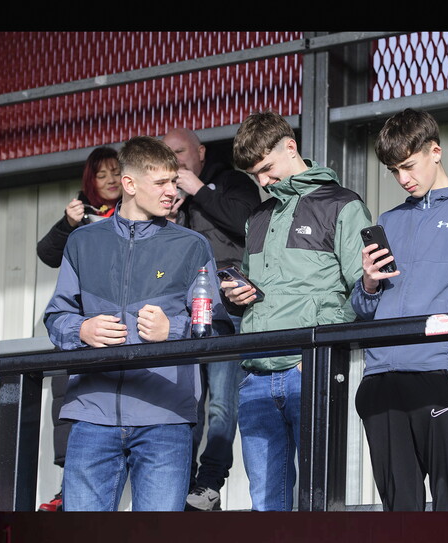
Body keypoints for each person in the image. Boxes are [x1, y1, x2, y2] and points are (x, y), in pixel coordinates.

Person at [43, 135, 234, 511]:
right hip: (91, 416)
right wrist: (81, 329)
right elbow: (56, 315)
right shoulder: (82, 242)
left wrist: (174, 331)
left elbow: (216, 326)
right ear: (129, 185)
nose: (171, 191)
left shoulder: (193, 245)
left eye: (174, 181)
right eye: (161, 182)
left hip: (165, 418)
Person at [349, 108, 448, 511]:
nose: (403, 179)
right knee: (399, 507)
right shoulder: (387, 221)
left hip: (436, 375)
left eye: (409, 166)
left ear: (436, 151)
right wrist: (367, 282)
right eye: (394, 171)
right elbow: (363, 310)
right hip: (380, 378)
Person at [223, 111, 372, 511]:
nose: (263, 181)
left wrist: (319, 353)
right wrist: (235, 296)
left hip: (309, 371)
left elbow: (367, 292)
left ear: (291, 147)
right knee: (266, 504)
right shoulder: (258, 217)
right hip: (255, 375)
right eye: (255, 175)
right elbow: (257, 291)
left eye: (267, 169)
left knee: (317, 500)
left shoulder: (342, 204)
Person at [162, 127, 261, 511]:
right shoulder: (171, 196)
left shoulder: (232, 181)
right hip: (185, 315)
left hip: (229, 312)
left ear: (200, 152)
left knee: (222, 401)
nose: (175, 161)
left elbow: (249, 225)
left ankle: (208, 484)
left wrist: (199, 189)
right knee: (186, 401)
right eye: (166, 154)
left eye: (179, 151)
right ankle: (182, 485)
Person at [34, 145, 121, 512]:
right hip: (81, 324)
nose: (111, 180)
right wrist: (66, 224)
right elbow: (47, 254)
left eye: (116, 171)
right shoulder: (80, 214)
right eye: (101, 175)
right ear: (89, 183)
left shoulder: (139, 214)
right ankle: (67, 484)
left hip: (121, 322)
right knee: (67, 398)